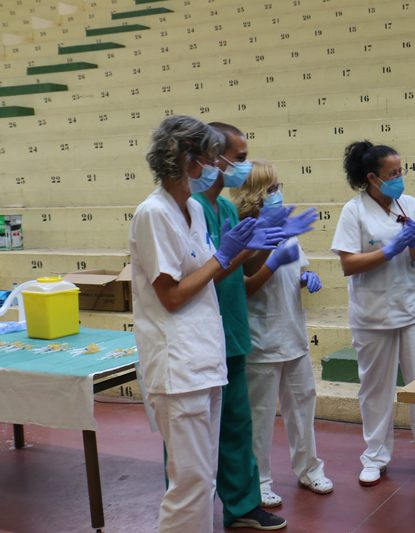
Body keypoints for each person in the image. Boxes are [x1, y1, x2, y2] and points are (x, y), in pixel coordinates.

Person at [131, 116, 283, 531]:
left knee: (203, 477)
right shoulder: (154, 213)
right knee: (190, 481)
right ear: (188, 159)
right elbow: (172, 294)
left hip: (206, 356)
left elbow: (207, 274)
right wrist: (224, 256)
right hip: (177, 364)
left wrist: (243, 250)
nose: (217, 167)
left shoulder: (195, 209)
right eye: (212, 159)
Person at [191, 121, 310, 530]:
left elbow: (234, 267)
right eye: (239, 159)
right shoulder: (189, 211)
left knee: (238, 427)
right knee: (198, 436)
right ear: (212, 158)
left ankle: (242, 506)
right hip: (204, 335)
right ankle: (193, 514)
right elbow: (206, 274)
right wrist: (252, 251)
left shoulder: (225, 210)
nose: (244, 166)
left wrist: (263, 243)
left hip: (236, 332)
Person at [330, 140, 415, 487]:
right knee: (375, 390)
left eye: (401, 171)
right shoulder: (354, 211)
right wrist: (389, 250)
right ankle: (375, 456)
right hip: (372, 314)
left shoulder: (408, 204)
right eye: (392, 173)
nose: (400, 178)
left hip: (409, 309)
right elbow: (349, 264)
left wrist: (412, 242)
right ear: (373, 178)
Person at [232, 161, 334, 508]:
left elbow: (295, 270)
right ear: (256, 194)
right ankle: (259, 480)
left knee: (303, 404)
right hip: (262, 338)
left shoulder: (286, 228)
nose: (279, 193)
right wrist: (273, 261)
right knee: (260, 415)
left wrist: (306, 277)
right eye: (273, 188)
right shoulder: (244, 232)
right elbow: (246, 285)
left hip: (293, 332)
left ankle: (309, 469)